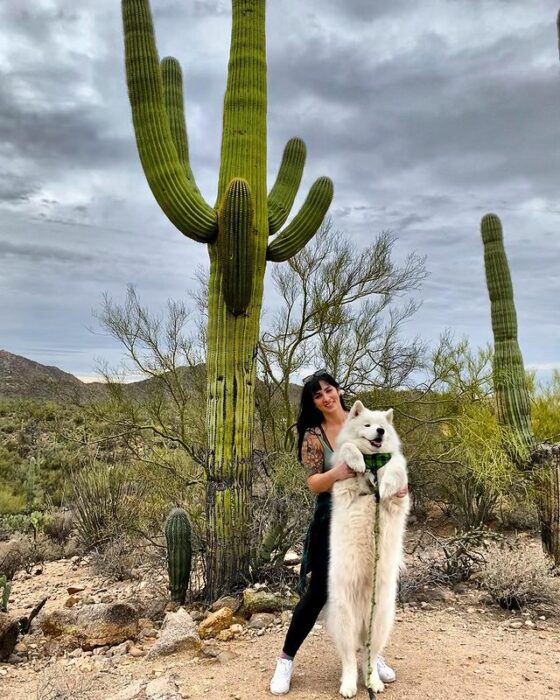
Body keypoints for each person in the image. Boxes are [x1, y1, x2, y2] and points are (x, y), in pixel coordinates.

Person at [269, 370, 407, 696]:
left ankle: (371, 659)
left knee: (371, 586)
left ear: (338, 390)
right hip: (333, 517)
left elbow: (392, 459)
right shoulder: (314, 436)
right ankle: (285, 660)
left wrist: (399, 484)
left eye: (328, 390)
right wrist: (339, 471)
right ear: (313, 403)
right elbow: (314, 483)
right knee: (320, 592)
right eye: (318, 395)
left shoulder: (366, 419)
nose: (326, 397)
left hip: (372, 515)